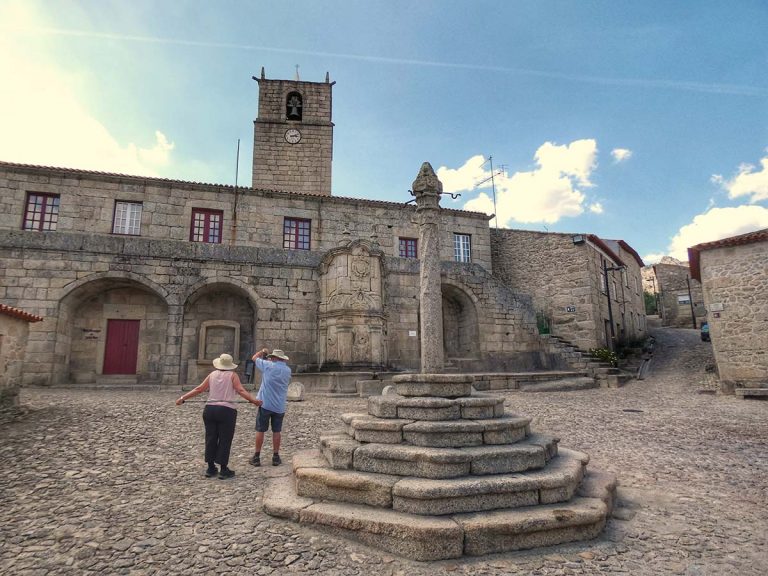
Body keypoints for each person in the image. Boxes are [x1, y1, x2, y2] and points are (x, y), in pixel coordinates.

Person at [176, 353, 262, 479]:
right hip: (227, 410)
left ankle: (210, 468)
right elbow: (240, 390)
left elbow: (199, 389)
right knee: (225, 439)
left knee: (210, 437)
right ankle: (223, 469)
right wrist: (254, 401)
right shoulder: (232, 375)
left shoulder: (212, 375)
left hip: (210, 409)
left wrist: (183, 398)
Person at [250, 347, 292, 466]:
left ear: (273, 358)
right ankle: (275, 456)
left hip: (265, 404)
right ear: (282, 359)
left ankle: (257, 457)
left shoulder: (268, 365)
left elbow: (254, 358)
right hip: (279, 406)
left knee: (260, 430)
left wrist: (263, 352)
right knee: (277, 431)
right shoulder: (288, 370)